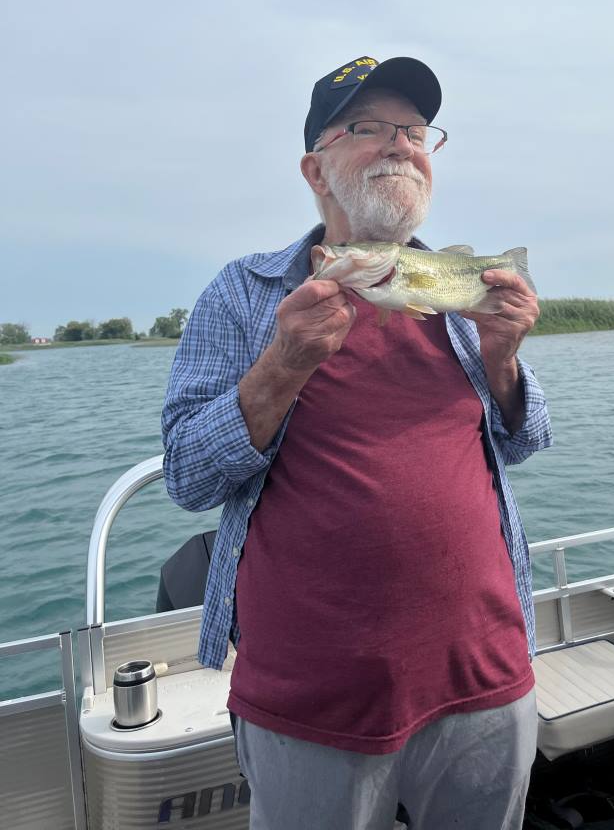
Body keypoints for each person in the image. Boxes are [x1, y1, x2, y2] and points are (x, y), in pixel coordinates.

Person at [162, 54, 552, 830]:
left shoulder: (457, 290)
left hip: (489, 674)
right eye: (369, 128)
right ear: (315, 169)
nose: (401, 145)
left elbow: (525, 440)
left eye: (415, 132)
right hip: (312, 701)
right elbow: (186, 475)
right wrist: (285, 362)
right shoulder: (243, 293)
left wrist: (504, 359)